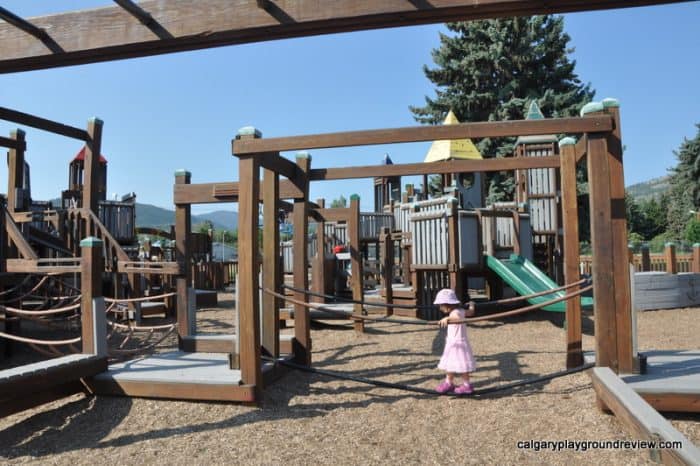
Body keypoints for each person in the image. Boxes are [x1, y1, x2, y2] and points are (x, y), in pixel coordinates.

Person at [434, 288, 476, 395]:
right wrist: (472, 305)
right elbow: (471, 312)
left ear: (448, 304)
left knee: (462, 366)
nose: (440, 308)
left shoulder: (456, 312)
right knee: (450, 365)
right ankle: (449, 382)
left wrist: (447, 318)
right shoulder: (461, 310)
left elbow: (456, 317)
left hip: (458, 344)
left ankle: (467, 385)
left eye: (441, 305)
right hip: (452, 344)